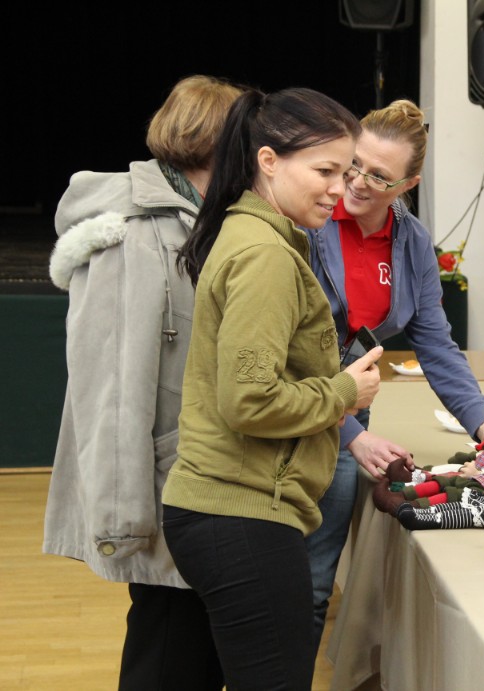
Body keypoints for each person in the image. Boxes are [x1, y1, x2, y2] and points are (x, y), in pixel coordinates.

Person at [160, 86, 382, 690]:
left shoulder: (256, 238)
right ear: (268, 161)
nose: (339, 190)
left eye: (347, 173)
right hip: (241, 513)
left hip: (229, 510)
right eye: (325, 171)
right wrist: (344, 392)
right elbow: (250, 401)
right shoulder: (265, 256)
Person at [43, 74, 242, 691]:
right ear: (219, 141)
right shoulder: (132, 233)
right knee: (167, 648)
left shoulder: (205, 220)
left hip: (204, 480)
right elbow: (110, 385)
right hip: (161, 484)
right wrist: (123, 514)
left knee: (199, 648)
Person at [304, 98, 484, 645]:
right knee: (270, 577)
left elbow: (436, 345)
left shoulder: (411, 243)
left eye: (379, 176)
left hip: (347, 415)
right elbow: (291, 352)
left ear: (407, 184)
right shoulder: (309, 220)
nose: (357, 181)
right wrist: (351, 433)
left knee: (315, 581)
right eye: (354, 164)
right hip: (297, 407)